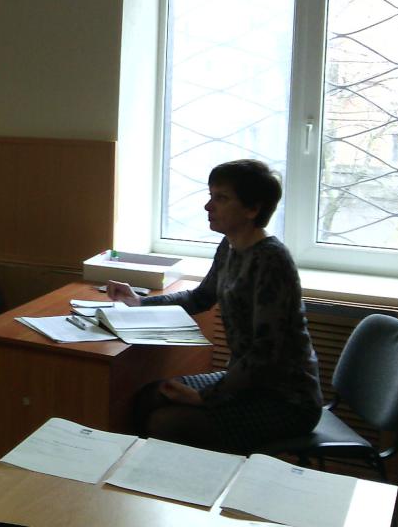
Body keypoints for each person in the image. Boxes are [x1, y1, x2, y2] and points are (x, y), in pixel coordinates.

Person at [107, 159, 322, 454]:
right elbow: (200, 297)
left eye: (221, 198)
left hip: (285, 400)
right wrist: (139, 302)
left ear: (252, 209)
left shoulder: (272, 260)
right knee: (149, 397)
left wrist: (206, 397)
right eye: (211, 196)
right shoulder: (229, 246)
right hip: (245, 385)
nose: (208, 206)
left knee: (165, 423)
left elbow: (266, 352)